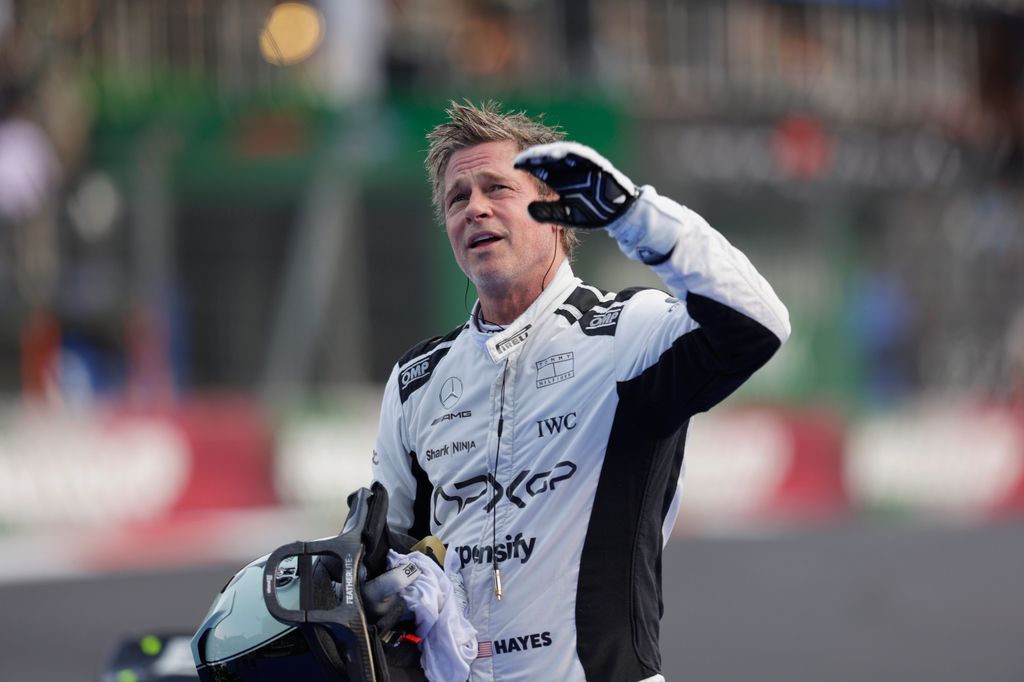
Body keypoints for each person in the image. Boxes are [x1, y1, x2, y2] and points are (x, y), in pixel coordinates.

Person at [370, 100, 791, 682]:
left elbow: (760, 323)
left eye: (497, 187)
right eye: (457, 198)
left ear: (558, 214)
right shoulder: (417, 380)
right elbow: (387, 548)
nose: (476, 208)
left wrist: (634, 216)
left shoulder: (627, 332)